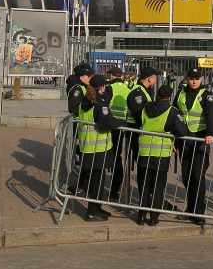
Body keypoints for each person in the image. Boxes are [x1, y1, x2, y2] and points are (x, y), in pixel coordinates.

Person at [130, 85, 190, 226]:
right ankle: (153, 218)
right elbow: (183, 131)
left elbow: (140, 122)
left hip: (144, 152)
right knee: (157, 187)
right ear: (169, 97)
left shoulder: (145, 108)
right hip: (160, 155)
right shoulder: (172, 111)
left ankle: (141, 216)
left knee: (144, 186)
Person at [75, 74, 125, 221]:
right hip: (97, 148)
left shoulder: (85, 100)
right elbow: (105, 122)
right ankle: (92, 211)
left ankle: (96, 207)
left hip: (88, 146)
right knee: (97, 181)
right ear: (102, 87)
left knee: (95, 180)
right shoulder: (98, 102)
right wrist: (120, 124)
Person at [176, 68, 213, 223]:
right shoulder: (180, 93)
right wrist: (175, 139)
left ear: (201, 79)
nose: (194, 81)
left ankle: (199, 212)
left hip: (200, 141)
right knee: (186, 177)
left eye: (197, 78)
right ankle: (190, 207)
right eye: (192, 78)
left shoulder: (207, 96)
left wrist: (210, 134)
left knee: (197, 177)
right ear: (187, 78)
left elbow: (212, 116)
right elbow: (175, 115)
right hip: (184, 141)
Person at [106, 67, 132, 202]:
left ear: (111, 76)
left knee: (106, 156)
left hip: (109, 127)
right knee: (117, 158)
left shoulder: (109, 88)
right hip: (122, 127)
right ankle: (115, 189)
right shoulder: (128, 90)